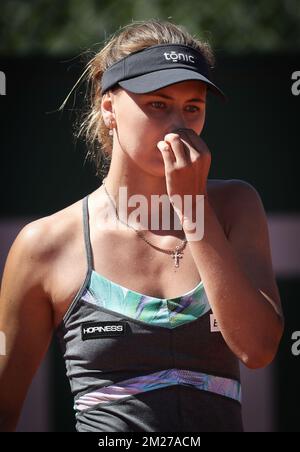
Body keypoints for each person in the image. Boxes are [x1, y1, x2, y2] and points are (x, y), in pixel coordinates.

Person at [0, 19, 284, 432]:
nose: (178, 125)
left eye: (193, 107)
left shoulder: (236, 205)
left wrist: (192, 207)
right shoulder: (44, 244)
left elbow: (257, 349)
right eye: (158, 104)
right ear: (109, 109)